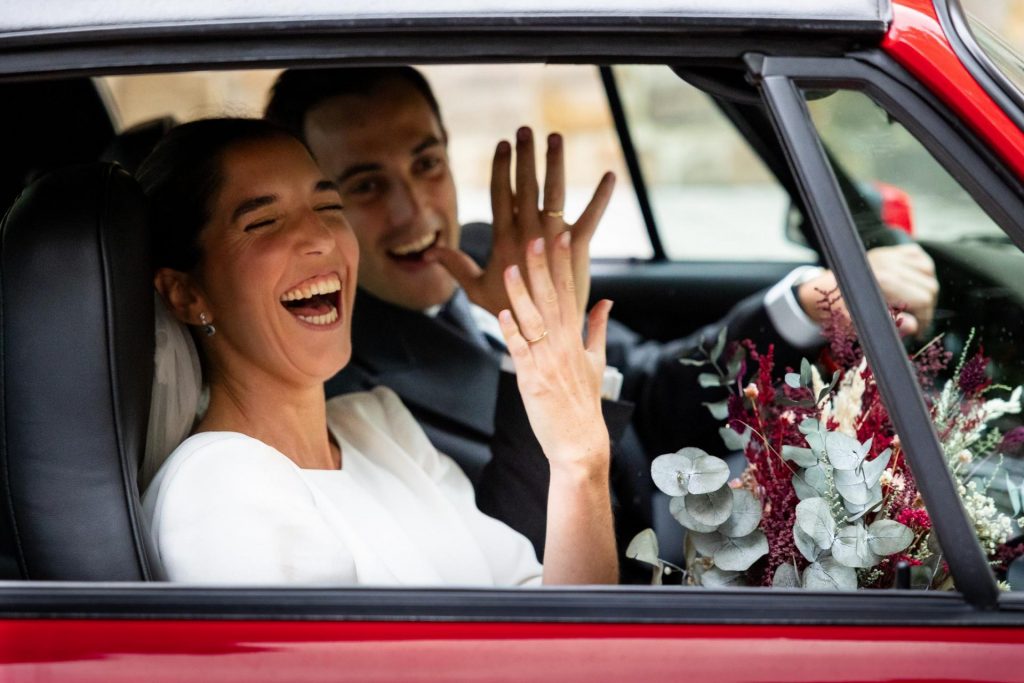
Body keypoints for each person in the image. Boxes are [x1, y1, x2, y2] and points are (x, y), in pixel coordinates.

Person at [263, 67, 939, 564]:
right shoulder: (334, 380)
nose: (416, 212)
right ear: (319, 205)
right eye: (366, 186)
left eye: (426, 163)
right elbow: (504, 555)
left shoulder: (482, 252)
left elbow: (643, 384)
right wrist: (527, 343)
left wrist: (802, 306)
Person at [138, 117, 619, 586]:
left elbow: (540, 611)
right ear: (186, 294)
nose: (322, 238)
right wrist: (578, 465)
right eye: (263, 222)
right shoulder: (220, 487)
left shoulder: (378, 425)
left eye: (328, 208)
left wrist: (580, 464)